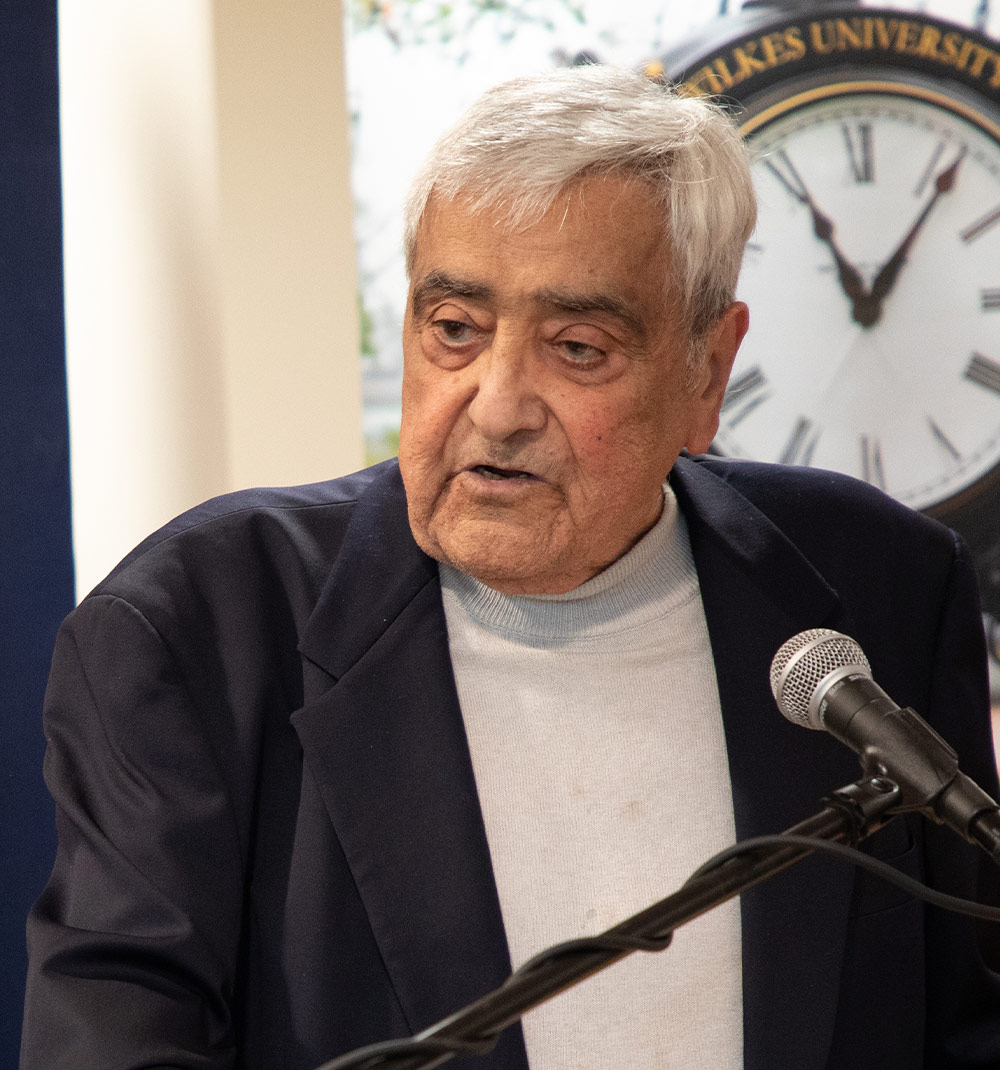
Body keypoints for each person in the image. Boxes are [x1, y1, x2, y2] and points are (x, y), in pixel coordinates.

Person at [20, 65, 1000, 1070]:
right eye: (454, 330)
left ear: (705, 369)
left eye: (576, 347)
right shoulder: (198, 625)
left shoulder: (881, 587)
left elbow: (967, 1013)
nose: (496, 405)